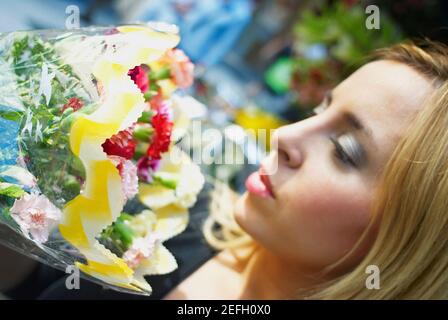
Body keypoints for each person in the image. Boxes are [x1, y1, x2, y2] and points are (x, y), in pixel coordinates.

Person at [9, 39, 448, 300]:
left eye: (345, 151)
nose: (285, 137)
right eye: (319, 109)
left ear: (409, 241)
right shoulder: (180, 218)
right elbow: (31, 277)